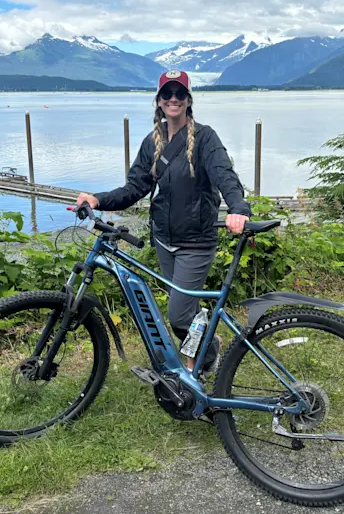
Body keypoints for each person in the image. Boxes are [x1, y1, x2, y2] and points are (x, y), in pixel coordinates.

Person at [76, 70, 251, 374]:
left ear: (188, 100)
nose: (173, 99)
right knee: (188, 309)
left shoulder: (205, 138)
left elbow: (225, 175)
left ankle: (207, 354)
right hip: (163, 240)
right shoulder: (151, 142)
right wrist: (97, 199)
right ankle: (195, 367)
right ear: (158, 101)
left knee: (179, 316)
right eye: (167, 94)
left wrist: (238, 208)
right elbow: (134, 188)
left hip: (195, 242)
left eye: (179, 94)